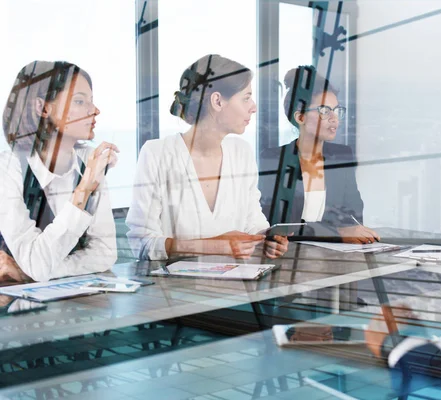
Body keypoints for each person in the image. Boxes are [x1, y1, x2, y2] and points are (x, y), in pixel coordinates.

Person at [126, 54, 288, 260]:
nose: (253, 107)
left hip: (238, 286)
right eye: (246, 98)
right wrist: (215, 246)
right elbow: (142, 242)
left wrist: (267, 239)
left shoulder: (241, 152)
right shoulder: (158, 154)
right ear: (217, 101)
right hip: (174, 289)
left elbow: (253, 223)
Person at [0, 61, 118, 282]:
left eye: (91, 101)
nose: (95, 111)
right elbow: (37, 263)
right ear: (43, 108)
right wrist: (84, 189)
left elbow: (105, 253)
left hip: (76, 304)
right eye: (80, 101)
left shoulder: (88, 161)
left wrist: (29, 273)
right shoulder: (8, 169)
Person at [259, 66, 379, 244]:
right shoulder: (274, 159)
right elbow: (277, 226)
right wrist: (335, 232)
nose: (334, 118)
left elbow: (353, 217)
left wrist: (347, 231)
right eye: (324, 111)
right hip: (289, 257)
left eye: (337, 110)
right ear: (300, 117)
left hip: (336, 256)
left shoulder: (342, 156)